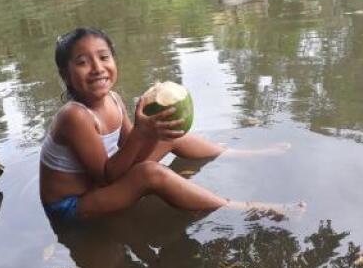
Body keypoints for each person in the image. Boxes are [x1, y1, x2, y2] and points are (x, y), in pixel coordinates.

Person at [40, 27, 299, 223]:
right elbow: (108, 176)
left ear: (114, 61)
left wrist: (149, 132)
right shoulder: (74, 117)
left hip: (101, 182)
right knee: (150, 174)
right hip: (72, 205)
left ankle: (242, 155)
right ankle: (239, 207)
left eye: (104, 57)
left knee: (167, 132)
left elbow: (130, 148)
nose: (97, 68)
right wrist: (142, 135)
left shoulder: (114, 99)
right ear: (66, 75)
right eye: (83, 63)